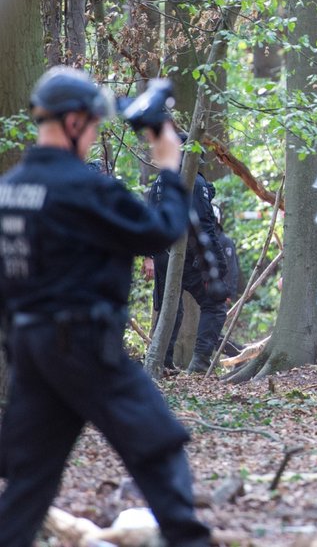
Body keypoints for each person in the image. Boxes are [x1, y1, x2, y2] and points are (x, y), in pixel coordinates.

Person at [0, 66, 210, 546]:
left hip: (31, 349)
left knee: (32, 478)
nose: (93, 137)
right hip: (84, 344)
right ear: (74, 122)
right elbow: (160, 231)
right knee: (158, 444)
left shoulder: (8, 190)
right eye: (92, 126)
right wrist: (169, 167)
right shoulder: (84, 188)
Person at [150, 136, 228, 374]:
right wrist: (216, 261)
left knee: (171, 306)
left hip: (163, 253)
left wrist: (150, 255)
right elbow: (204, 224)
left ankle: (161, 362)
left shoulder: (161, 181)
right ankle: (199, 365)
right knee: (215, 303)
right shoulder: (193, 180)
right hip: (187, 255)